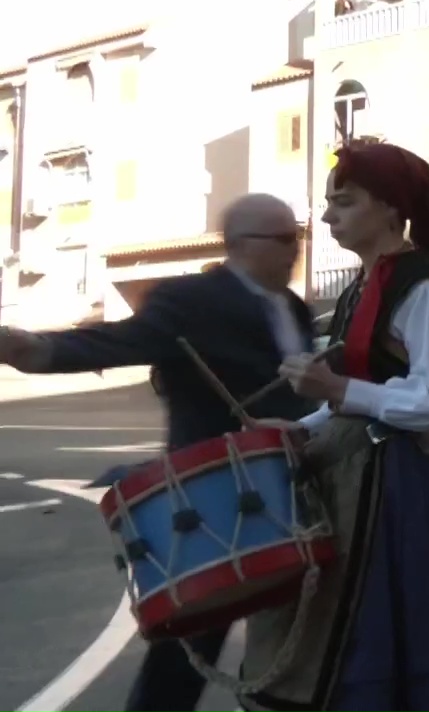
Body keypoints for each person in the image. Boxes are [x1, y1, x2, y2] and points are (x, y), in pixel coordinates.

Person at [0, 195, 317, 712]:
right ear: (237, 245)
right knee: (191, 643)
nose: (295, 249)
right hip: (217, 495)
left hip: (294, 488)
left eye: (297, 236)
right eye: (283, 239)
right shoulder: (192, 298)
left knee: (300, 634)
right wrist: (39, 351)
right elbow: (122, 342)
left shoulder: (296, 307)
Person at [249, 141, 429, 712]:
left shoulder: (424, 288)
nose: (327, 217)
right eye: (329, 204)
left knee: (400, 635)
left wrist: (339, 391)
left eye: (344, 203)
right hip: (360, 482)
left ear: (390, 208)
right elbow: (364, 390)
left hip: (405, 493)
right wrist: (307, 423)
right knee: (356, 630)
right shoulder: (361, 287)